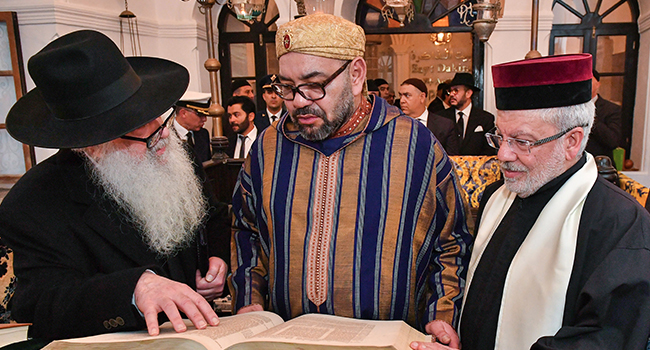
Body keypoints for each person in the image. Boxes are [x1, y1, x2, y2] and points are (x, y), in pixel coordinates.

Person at [229, 13, 472, 337]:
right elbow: (246, 229)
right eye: (287, 88)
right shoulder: (269, 147)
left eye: (314, 86)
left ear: (356, 75)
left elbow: (451, 240)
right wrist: (249, 300)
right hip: (287, 341)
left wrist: (441, 314)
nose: (299, 102)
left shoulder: (414, 145)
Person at [0, 30, 231, 340]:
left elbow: (211, 217)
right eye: (140, 126)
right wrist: (132, 289)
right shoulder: (32, 204)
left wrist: (217, 260)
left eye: (156, 116)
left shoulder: (171, 152)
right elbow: (42, 304)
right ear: (91, 144)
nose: (162, 134)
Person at [411, 54, 650, 350]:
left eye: (522, 141)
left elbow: (602, 340)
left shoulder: (621, 224)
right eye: (500, 137)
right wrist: (454, 325)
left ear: (572, 141)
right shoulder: (496, 196)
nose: (502, 155)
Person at [434, 73, 495, 156]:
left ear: (468, 93)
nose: (451, 94)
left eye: (456, 90)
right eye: (450, 91)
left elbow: (489, 151)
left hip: (476, 167)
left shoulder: (485, 119)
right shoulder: (441, 117)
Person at [399, 78, 459, 155]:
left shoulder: (445, 126)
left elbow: (452, 160)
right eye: (400, 95)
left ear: (422, 97)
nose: (402, 100)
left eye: (407, 95)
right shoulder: (395, 124)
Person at [585, 69, 623, 167]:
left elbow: (613, 141)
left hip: (600, 167)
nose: (586, 84)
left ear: (598, 84)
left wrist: (590, 116)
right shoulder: (571, 108)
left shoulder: (612, 109)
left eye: (589, 80)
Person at [173, 90, 213, 163]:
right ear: (183, 113)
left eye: (205, 115)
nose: (205, 119)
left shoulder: (203, 134)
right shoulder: (167, 136)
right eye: (200, 115)